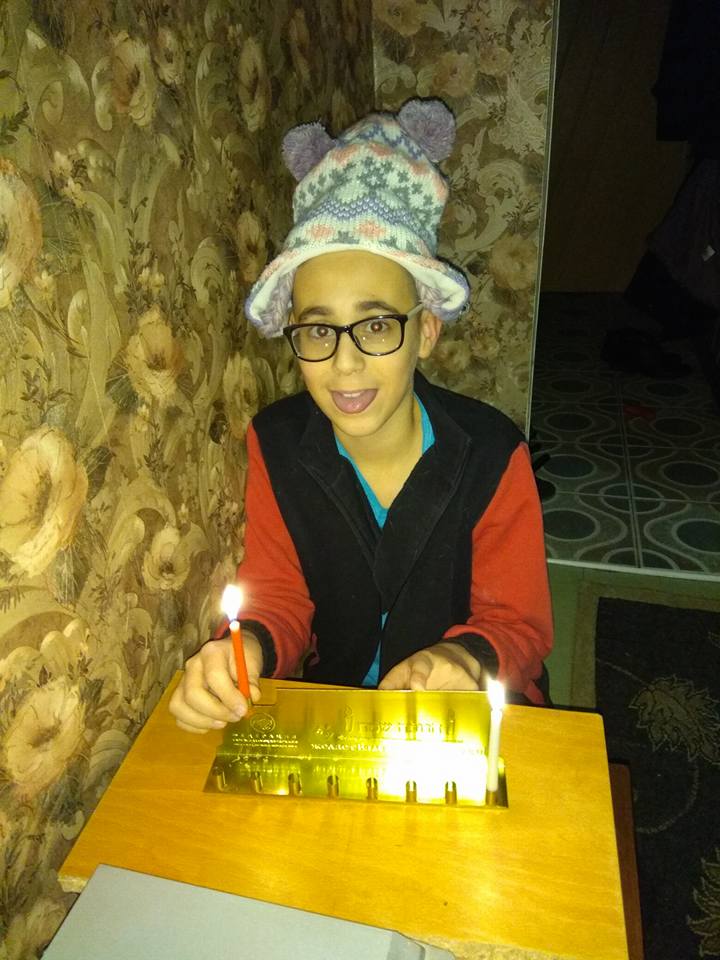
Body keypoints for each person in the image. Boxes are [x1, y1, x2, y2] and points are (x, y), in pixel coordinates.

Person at [169, 99, 553, 733]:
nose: (344, 364)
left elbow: (519, 627)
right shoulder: (275, 443)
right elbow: (279, 597)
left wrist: (462, 657)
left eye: (375, 325)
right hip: (339, 713)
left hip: (475, 716)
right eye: (318, 330)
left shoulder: (493, 454)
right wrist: (244, 654)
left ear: (426, 331)